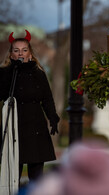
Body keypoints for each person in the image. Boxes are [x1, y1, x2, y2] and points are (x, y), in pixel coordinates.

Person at [0, 30, 59, 184]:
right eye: (17, 50)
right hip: (15, 125)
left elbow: (47, 98)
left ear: (30, 53)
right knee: (13, 172)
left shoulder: (39, 73)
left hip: (36, 125)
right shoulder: (5, 73)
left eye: (24, 50)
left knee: (36, 174)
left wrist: (52, 117)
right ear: (11, 54)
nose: (21, 53)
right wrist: (11, 71)